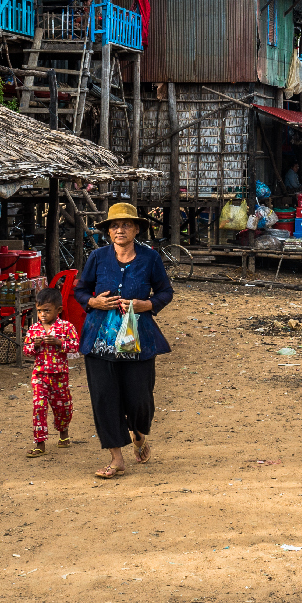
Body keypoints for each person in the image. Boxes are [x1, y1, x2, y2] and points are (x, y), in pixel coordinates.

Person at [75, 203, 175, 480]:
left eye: (126, 225)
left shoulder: (150, 258)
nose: (120, 230)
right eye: (114, 225)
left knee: (140, 398)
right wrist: (93, 302)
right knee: (104, 398)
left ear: (137, 229)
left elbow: (166, 292)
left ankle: (139, 435)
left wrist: (147, 305)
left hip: (137, 339)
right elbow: (80, 290)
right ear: (108, 231)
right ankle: (116, 459)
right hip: (100, 339)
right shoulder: (97, 257)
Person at [23, 287, 79, 458]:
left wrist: (59, 343)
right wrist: (35, 345)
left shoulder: (67, 327)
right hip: (39, 375)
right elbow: (26, 351)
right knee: (38, 407)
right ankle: (40, 443)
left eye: (47, 311)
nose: (42, 315)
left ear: (58, 310)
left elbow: (75, 347)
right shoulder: (34, 329)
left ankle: (63, 433)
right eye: (39, 311)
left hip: (60, 376)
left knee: (63, 408)